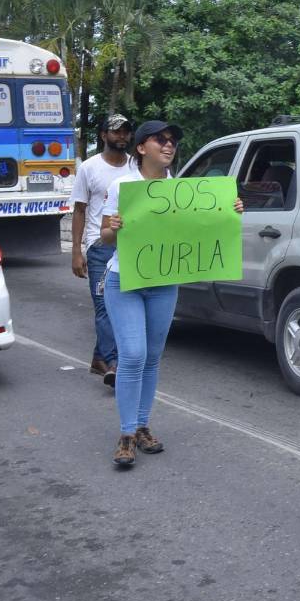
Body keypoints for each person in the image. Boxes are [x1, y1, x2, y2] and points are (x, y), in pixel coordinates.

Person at [99, 120, 243, 467]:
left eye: (172, 141)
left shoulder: (183, 190)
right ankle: (126, 433)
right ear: (141, 148)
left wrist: (230, 211)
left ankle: (143, 425)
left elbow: (201, 229)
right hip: (125, 281)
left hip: (163, 284)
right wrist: (113, 228)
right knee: (132, 355)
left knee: (150, 357)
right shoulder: (123, 186)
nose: (169, 146)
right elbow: (104, 237)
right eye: (160, 140)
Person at [71, 114, 135, 386]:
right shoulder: (89, 168)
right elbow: (79, 209)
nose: (121, 136)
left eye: (126, 132)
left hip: (133, 245)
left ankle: (101, 357)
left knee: (124, 305)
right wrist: (76, 250)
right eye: (116, 132)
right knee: (105, 306)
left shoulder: (137, 166)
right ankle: (114, 364)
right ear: (103, 135)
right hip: (100, 247)